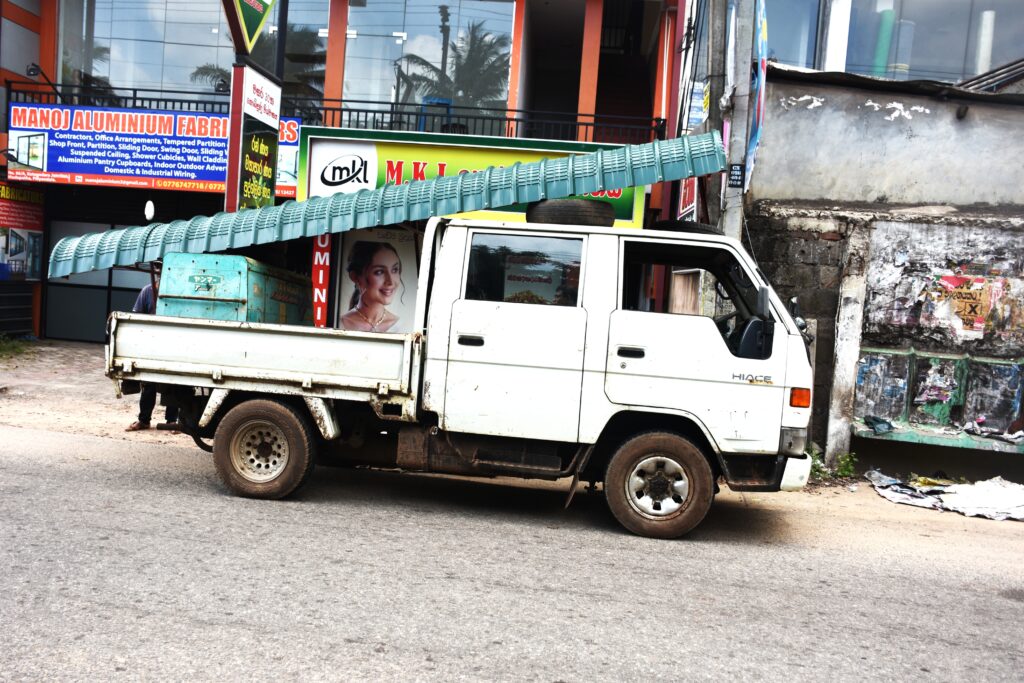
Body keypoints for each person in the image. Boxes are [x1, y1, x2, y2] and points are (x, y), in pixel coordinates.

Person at [126, 263, 180, 431]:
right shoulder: (147, 291)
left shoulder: (177, 293)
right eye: (159, 271)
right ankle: (144, 420)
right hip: (151, 345)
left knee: (173, 383)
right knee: (148, 384)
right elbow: (137, 319)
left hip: (173, 344)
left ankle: (171, 421)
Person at [339, 241, 402, 333]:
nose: (391, 282)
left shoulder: (402, 326)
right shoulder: (340, 324)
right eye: (379, 272)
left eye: (395, 270)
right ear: (355, 277)